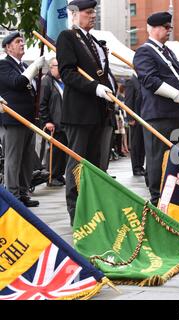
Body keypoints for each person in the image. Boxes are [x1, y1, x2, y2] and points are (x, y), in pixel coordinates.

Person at [57, 0, 117, 225]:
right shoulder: (68, 37)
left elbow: (102, 73)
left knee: (97, 166)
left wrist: (108, 89)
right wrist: (95, 88)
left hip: (99, 112)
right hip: (79, 113)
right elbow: (68, 73)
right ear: (74, 15)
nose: (93, 16)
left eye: (94, 12)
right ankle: (77, 216)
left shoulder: (94, 41)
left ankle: (94, 212)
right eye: (88, 12)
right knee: (77, 166)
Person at [133, 11, 179, 205]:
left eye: (169, 28)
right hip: (159, 114)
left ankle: (174, 195)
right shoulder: (145, 51)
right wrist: (174, 94)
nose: (168, 31)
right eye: (166, 28)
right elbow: (149, 79)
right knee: (157, 157)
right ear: (154, 28)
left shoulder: (167, 52)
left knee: (175, 157)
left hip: (175, 114)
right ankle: (157, 197)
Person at [0, 31, 45, 207]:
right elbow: (18, 83)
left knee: (27, 159)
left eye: (22, 41)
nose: (22, 44)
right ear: (8, 47)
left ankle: (23, 192)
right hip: (13, 119)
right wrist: (34, 68)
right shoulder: (4, 65)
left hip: (27, 119)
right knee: (14, 158)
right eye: (18, 42)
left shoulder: (21, 65)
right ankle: (13, 196)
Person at [39, 57, 67, 187]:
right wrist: (47, 121)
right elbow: (42, 104)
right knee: (54, 152)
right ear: (51, 67)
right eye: (57, 66)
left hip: (63, 122)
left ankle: (59, 174)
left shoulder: (62, 81)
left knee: (62, 151)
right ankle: (52, 175)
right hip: (53, 123)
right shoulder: (47, 81)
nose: (60, 69)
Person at [125, 74, 146, 176]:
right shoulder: (131, 81)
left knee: (142, 143)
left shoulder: (142, 80)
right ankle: (136, 167)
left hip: (144, 117)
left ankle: (141, 165)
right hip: (135, 118)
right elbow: (128, 101)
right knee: (136, 143)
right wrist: (130, 117)